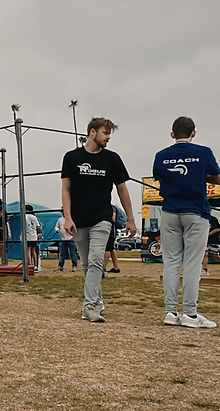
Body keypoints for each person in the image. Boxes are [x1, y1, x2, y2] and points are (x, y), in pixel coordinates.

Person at [61, 117, 136, 323]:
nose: (108, 138)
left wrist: (130, 218)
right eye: (105, 133)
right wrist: (67, 217)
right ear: (92, 132)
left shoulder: (112, 159)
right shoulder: (71, 157)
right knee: (87, 264)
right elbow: (65, 190)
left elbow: (122, 190)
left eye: (110, 134)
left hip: (102, 218)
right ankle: (97, 301)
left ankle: (89, 307)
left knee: (95, 260)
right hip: (77, 219)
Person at [153, 116, 220, 329]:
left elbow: (160, 177)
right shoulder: (204, 152)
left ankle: (171, 312)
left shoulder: (161, 155)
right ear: (194, 133)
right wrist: (200, 175)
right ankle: (190, 314)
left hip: (170, 211)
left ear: (172, 134)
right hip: (196, 211)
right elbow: (219, 179)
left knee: (171, 262)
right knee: (192, 264)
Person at [54, 207, 79, 272]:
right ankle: (60, 266)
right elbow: (56, 226)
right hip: (63, 239)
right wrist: (57, 230)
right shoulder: (60, 219)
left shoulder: (72, 219)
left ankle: (74, 266)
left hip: (71, 238)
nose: (63, 212)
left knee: (73, 253)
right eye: (62, 211)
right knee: (62, 254)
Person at [23, 204, 42, 271]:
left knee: (28, 250)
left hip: (27, 235)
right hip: (34, 235)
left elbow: (23, 226)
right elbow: (38, 227)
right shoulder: (34, 217)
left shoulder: (24, 216)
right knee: (34, 251)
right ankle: (36, 266)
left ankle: (30, 265)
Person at [103, 207, 121, 274]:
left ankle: (103, 267)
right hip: (110, 229)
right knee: (112, 248)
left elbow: (113, 218)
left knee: (107, 248)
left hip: (110, 229)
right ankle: (116, 267)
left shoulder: (111, 207)